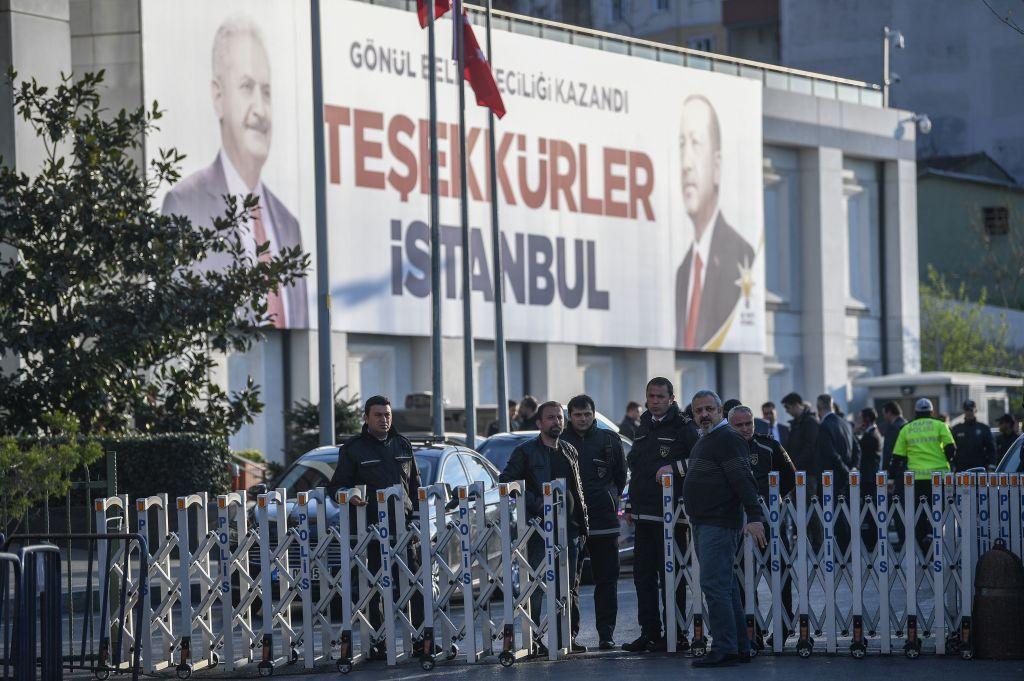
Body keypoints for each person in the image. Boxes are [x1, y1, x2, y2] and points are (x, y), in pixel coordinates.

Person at [161, 15, 307, 328]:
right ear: (218, 98)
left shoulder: (289, 225)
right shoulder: (185, 205)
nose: (260, 109)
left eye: (266, 92)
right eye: (246, 88)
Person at [326, 395, 422, 656]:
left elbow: (415, 487)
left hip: (403, 530)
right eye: (378, 415)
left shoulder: (403, 445)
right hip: (371, 532)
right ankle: (378, 643)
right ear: (366, 417)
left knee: (414, 586)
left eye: (388, 414)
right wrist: (348, 495)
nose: (384, 419)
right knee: (375, 590)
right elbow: (335, 486)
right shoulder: (353, 449)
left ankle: (422, 639)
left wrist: (417, 524)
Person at [498, 401, 589, 654]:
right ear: (539, 423)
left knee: (569, 586)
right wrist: (537, 504)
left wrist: (583, 526)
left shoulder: (570, 450)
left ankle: (566, 638)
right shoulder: (525, 452)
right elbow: (506, 481)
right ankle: (535, 639)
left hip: (569, 529)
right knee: (537, 585)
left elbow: (578, 490)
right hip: (538, 530)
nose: (556, 422)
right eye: (551, 418)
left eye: (559, 417)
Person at [683, 391, 765, 667]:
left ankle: (724, 648)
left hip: (717, 523)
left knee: (714, 586)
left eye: (709, 409)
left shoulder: (727, 438)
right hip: (707, 521)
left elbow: (743, 479)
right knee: (726, 587)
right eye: (698, 411)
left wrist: (755, 515)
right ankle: (739, 646)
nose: (703, 414)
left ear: (720, 411)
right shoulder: (708, 439)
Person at [622, 377, 699, 653]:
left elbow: (701, 459)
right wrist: (630, 504)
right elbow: (638, 468)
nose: (654, 401)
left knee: (672, 578)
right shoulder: (643, 425)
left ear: (672, 399)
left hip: (672, 517)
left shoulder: (684, 426)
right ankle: (650, 633)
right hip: (644, 515)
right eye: (651, 396)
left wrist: (674, 467)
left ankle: (677, 634)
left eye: (660, 396)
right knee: (643, 577)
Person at [674, 95, 755, 350]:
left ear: (717, 165)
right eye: (681, 145)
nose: (686, 163)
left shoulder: (740, 254)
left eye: (696, 144)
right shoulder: (683, 272)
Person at [563, 395, 627, 650]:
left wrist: (608, 499)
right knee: (569, 583)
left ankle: (606, 634)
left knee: (607, 580)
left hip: (604, 519)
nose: (583, 419)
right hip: (571, 522)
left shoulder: (609, 440)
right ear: (570, 416)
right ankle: (570, 635)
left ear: (594, 414)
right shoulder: (561, 441)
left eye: (587, 414)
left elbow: (620, 477)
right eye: (578, 415)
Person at [727, 404, 796, 640]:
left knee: (779, 572)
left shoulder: (769, 445)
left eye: (749, 424)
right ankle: (751, 629)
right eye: (739, 425)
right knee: (744, 577)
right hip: (737, 522)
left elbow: (791, 476)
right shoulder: (723, 448)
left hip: (768, 521)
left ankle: (785, 626)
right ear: (730, 426)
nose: (745, 429)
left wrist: (773, 502)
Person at [888, 398, 956, 547]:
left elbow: (897, 457)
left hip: (916, 478)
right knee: (937, 510)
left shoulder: (906, 428)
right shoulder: (940, 425)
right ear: (932, 411)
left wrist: (892, 477)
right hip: (939, 478)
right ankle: (935, 540)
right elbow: (951, 449)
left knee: (919, 512)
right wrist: (947, 460)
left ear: (916, 412)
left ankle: (921, 544)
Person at [780, 392, 820, 495]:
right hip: (797, 472)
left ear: (796, 405)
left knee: (809, 505)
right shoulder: (797, 423)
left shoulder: (810, 422)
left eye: (787, 407)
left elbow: (810, 448)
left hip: (808, 473)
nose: (787, 411)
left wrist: (795, 465)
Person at [857, 407, 884, 550]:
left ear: (866, 419)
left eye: (861, 417)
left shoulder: (872, 435)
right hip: (868, 476)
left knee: (870, 509)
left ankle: (871, 542)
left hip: (869, 478)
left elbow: (859, 448)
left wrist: (855, 433)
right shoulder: (870, 433)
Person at [951, 400, 997, 472]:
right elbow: (951, 449)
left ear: (975, 410)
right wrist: (952, 464)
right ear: (964, 411)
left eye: (971, 410)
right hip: (961, 468)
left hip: (980, 467)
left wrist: (991, 464)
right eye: (967, 410)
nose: (969, 412)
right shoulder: (957, 429)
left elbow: (991, 449)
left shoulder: (983, 428)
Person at [881, 401, 907, 476]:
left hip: (896, 469)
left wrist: (885, 469)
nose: (884, 417)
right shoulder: (907, 424)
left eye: (884, 414)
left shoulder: (893, 428)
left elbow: (889, 450)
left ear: (889, 412)